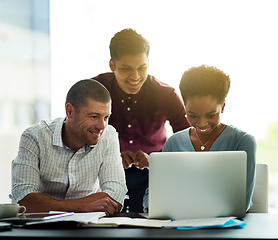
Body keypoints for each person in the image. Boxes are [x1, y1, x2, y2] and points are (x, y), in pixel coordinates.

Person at [92, 28, 190, 212]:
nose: (135, 76)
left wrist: (156, 160)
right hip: (102, 176)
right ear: (112, 65)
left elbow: (188, 143)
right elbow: (77, 138)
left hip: (155, 177)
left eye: (142, 67)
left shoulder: (166, 95)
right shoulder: (94, 91)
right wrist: (111, 158)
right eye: (126, 69)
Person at [143, 65, 256, 212]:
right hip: (179, 227)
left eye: (211, 115)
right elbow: (150, 201)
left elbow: (242, 203)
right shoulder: (174, 143)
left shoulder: (243, 142)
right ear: (184, 107)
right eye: (192, 115)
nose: (202, 124)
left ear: (222, 106)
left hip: (226, 230)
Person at [11, 79, 127, 216]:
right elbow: (24, 200)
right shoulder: (34, 137)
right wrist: (82, 206)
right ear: (70, 111)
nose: (102, 126)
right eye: (94, 116)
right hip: (41, 226)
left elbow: (115, 195)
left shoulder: (109, 135)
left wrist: (54, 205)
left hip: (89, 226)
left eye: (106, 117)